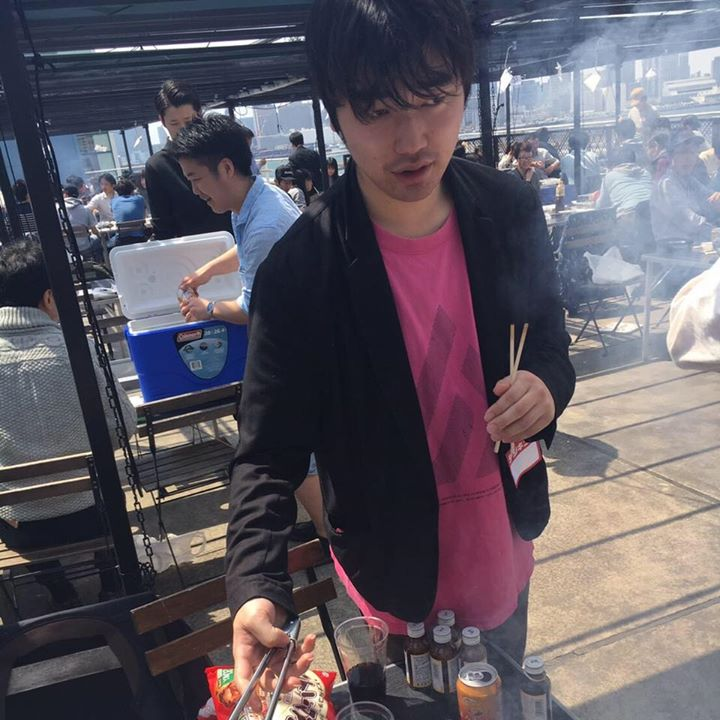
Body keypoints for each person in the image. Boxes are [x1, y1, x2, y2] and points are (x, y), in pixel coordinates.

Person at [226, 0, 575, 698]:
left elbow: (549, 345)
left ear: (464, 87)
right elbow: (267, 452)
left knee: (500, 702)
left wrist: (545, 386)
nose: (412, 138)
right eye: (376, 109)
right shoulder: (303, 270)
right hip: (391, 572)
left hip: (503, 545)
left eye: (434, 97)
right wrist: (256, 586)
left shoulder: (507, 209)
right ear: (335, 112)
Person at [170, 114, 327, 550]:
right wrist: (206, 271)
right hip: (303, 339)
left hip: (300, 348)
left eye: (196, 178)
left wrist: (205, 308)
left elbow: (251, 308)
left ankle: (330, 536)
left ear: (225, 168)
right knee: (298, 446)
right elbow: (246, 250)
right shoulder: (255, 201)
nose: (195, 190)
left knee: (298, 449)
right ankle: (327, 528)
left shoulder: (264, 224)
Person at [0, 240, 137, 609]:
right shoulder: (78, 348)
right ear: (48, 297)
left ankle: (60, 591)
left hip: (22, 529)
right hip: (93, 517)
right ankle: (111, 581)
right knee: (105, 492)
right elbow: (125, 424)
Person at [144, 80, 232, 240]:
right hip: (189, 251)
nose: (183, 129)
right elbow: (163, 227)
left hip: (236, 244)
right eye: (174, 123)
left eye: (188, 121)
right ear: (162, 121)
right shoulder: (158, 166)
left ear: (199, 114)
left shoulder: (220, 150)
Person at [651, 130, 720, 249]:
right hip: (673, 251)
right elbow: (691, 222)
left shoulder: (689, 180)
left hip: (696, 245)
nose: (688, 158)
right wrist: (716, 233)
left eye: (692, 152)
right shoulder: (666, 184)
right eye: (683, 152)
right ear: (671, 157)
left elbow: (710, 198)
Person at [596, 149, 652, 217]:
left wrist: (594, 203)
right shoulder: (646, 173)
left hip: (628, 214)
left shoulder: (610, 176)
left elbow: (601, 205)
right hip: (652, 212)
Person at [61, 184, 101, 262]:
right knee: (97, 240)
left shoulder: (57, 209)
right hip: (85, 248)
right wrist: (100, 237)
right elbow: (94, 230)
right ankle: (99, 263)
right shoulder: (86, 209)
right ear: (77, 195)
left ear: (65, 194)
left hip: (67, 249)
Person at [111, 177, 146, 246]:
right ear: (132, 190)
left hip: (122, 241)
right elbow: (144, 215)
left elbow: (115, 217)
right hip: (140, 239)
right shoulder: (140, 198)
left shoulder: (114, 201)